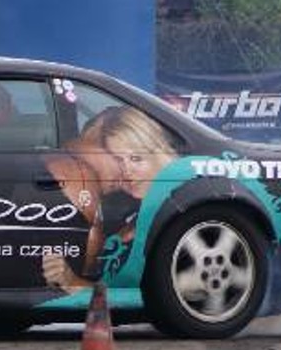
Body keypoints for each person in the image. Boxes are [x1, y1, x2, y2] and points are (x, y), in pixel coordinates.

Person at [42, 105, 181, 292]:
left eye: (136, 158)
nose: (126, 171)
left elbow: (144, 296)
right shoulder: (133, 211)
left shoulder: (175, 210)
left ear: (159, 152)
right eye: (118, 160)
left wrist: (71, 282)